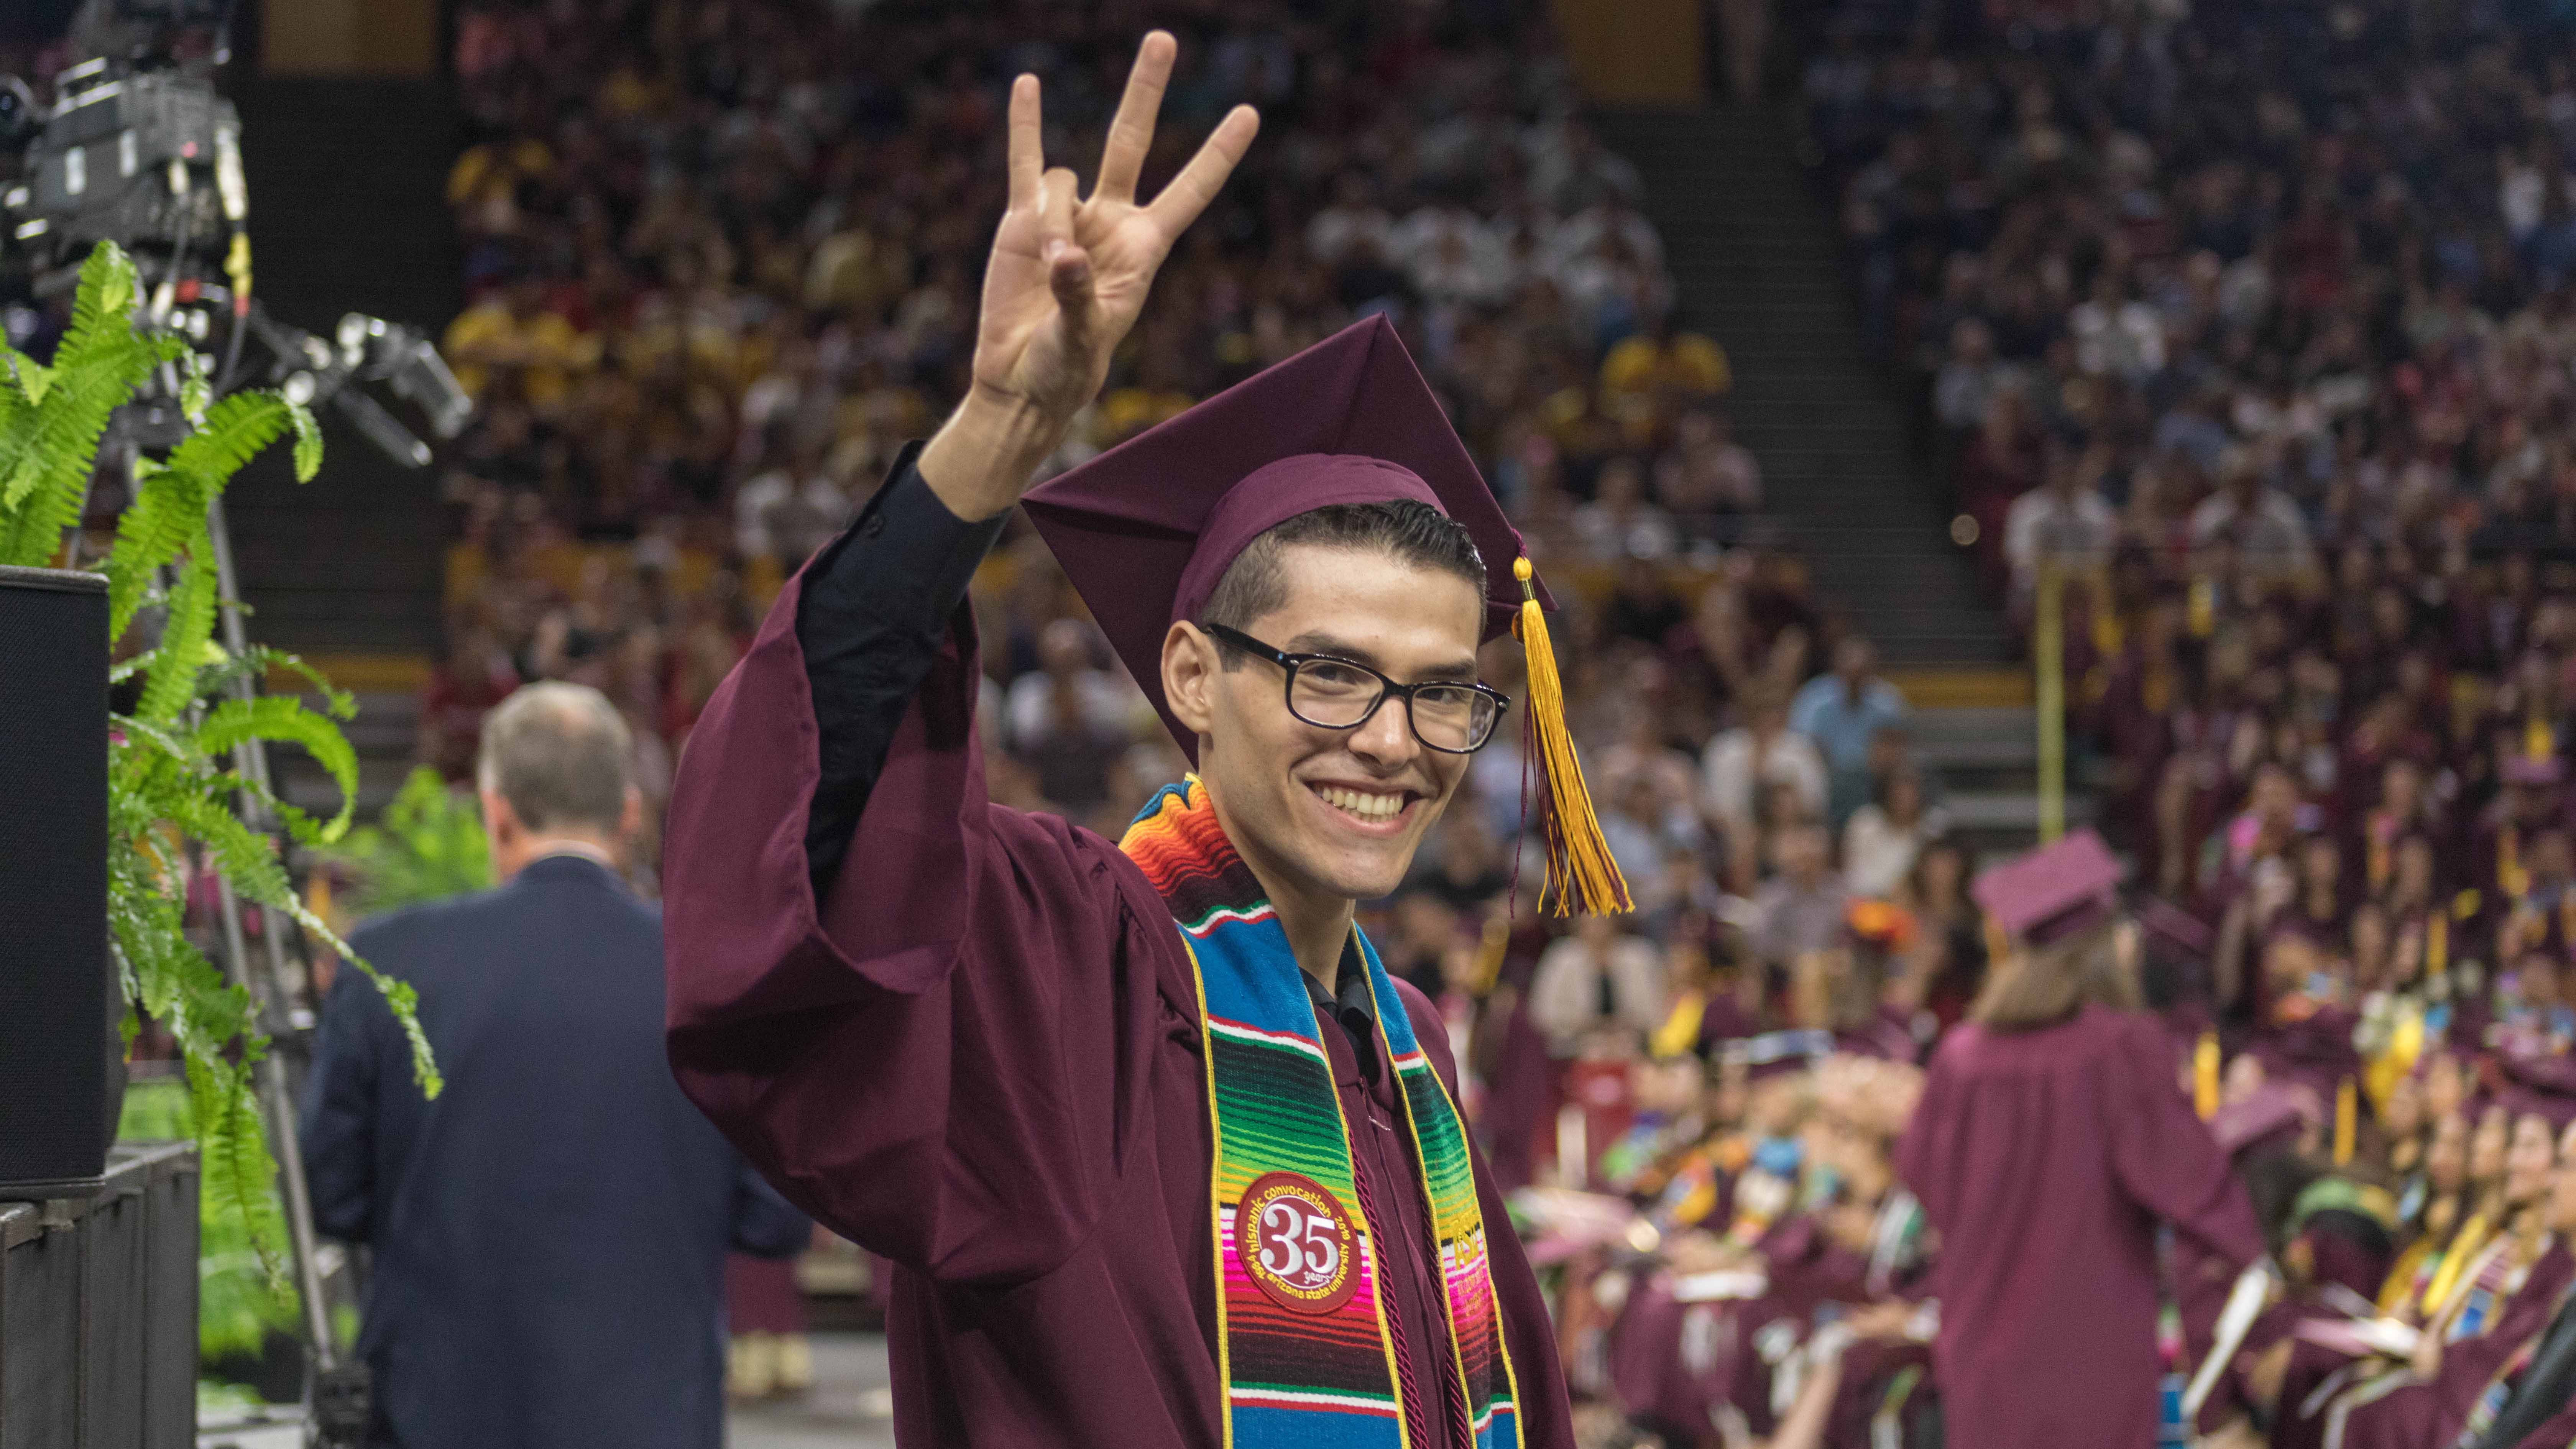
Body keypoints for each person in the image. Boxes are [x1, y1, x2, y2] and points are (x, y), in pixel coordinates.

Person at [659, 34, 1580, 1449]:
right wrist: (997, 431)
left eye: (1437, 689)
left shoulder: (1412, 1051)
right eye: (1328, 674)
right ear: (1191, 675)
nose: (1392, 742)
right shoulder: (1064, 965)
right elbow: (805, 832)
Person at [302, 682, 809, 1449]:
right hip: (649, 1420)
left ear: (493, 811)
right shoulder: (714, 975)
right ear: (630, 816)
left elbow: (332, 1196)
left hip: (435, 1418)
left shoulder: (388, 960)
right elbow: (775, 1218)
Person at [1893, 830, 2264, 1449]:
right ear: (2104, 948)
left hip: (1980, 1348)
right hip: (2088, 1354)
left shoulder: (1961, 1058)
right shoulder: (2119, 1049)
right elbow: (2198, 1191)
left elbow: (1924, 1181)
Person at [1789, 636, 1907, 828]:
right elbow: (1801, 747)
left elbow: (1897, 748)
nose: (1855, 679)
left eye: (1861, 673)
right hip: (1826, 777)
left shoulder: (1888, 702)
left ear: (1871, 672)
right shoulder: (1813, 699)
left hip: (1874, 779)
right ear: (1837, 669)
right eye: (1850, 672)